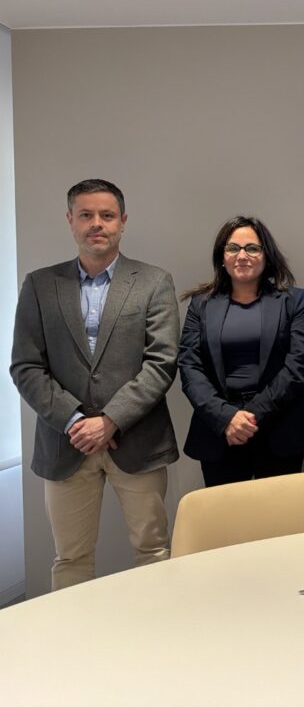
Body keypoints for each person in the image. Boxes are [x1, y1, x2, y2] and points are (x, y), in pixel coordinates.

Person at [11, 179, 179, 590]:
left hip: (137, 440)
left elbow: (161, 362)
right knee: (70, 558)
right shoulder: (40, 284)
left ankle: (160, 642)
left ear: (123, 221)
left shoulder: (153, 281)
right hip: (65, 443)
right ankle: (70, 648)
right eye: (86, 215)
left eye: (106, 215)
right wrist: (73, 420)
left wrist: (110, 421)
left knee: (154, 552)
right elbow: (26, 366)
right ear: (70, 221)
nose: (96, 224)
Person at [178, 216, 304, 486]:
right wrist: (226, 417)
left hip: (281, 428)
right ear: (222, 256)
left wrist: (251, 415)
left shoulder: (293, 300)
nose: (242, 255)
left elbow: (300, 363)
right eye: (233, 248)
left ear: (267, 255)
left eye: (252, 248)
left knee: (282, 523)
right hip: (219, 431)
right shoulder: (201, 305)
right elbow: (189, 366)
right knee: (229, 525)